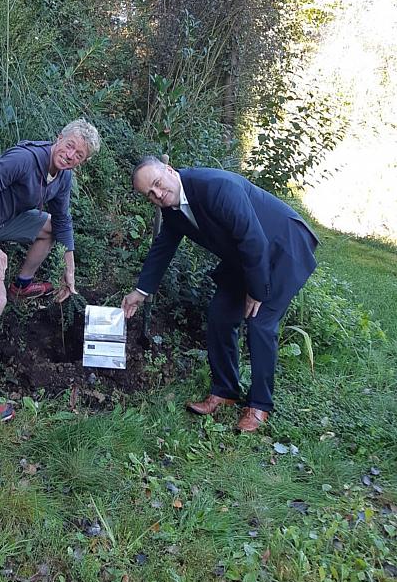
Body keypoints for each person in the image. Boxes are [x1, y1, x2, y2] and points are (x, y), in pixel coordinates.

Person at [121, 158, 318, 433]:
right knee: (220, 316)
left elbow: (254, 239)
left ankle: (259, 405)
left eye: (157, 184)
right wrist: (140, 292)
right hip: (246, 258)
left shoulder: (215, 187)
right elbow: (163, 247)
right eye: (149, 194)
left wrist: (256, 290)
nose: (156, 194)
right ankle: (225, 391)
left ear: (169, 170)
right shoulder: (174, 210)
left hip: (283, 247)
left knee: (260, 322)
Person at [0, 119, 101, 421]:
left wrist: (68, 269)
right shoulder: (24, 160)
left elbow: (62, 221)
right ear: (58, 138)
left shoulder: (62, 177)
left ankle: (22, 284)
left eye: (78, 155)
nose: (70, 156)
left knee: (49, 227)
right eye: (69, 146)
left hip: (0, 222)